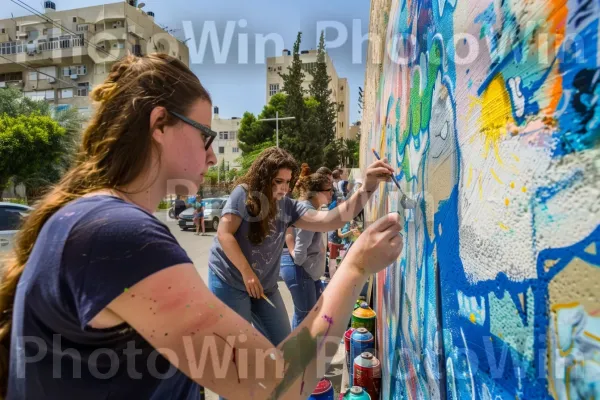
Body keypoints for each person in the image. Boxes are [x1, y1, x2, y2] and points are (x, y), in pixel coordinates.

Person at [0, 53, 402, 400]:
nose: (212, 158)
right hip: (239, 283)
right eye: (206, 137)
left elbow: (332, 218)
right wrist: (355, 268)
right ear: (160, 125)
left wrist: (366, 188)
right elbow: (278, 385)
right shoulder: (120, 236)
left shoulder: (90, 218)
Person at [207, 147, 395, 348]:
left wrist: (368, 187)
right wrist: (247, 272)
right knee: (239, 348)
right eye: (278, 181)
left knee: (283, 345)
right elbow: (224, 234)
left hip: (265, 287)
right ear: (263, 178)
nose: (284, 188)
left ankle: (274, 378)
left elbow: (330, 220)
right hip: (230, 281)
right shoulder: (243, 194)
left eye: (288, 182)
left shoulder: (288, 206)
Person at [280, 167, 332, 329]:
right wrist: (301, 261)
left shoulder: (305, 207)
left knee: (305, 314)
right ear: (317, 193)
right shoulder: (308, 211)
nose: (332, 193)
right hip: (301, 270)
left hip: (302, 271)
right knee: (305, 316)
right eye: (328, 190)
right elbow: (300, 250)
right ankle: (296, 352)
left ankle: (300, 350)